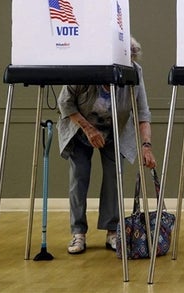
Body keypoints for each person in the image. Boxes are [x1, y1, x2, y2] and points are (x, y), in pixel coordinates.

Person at [57, 37, 156, 254]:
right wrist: (88, 129)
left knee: (114, 178)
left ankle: (112, 231)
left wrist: (146, 146)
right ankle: (78, 233)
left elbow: (142, 111)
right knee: (79, 179)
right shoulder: (86, 67)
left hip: (114, 130)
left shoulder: (134, 72)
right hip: (79, 129)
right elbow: (65, 102)